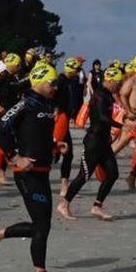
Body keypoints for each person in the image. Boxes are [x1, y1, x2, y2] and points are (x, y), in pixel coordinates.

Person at [0, 63, 69, 272]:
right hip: (26, 174)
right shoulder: (24, 104)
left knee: (43, 226)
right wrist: (15, 156)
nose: (55, 87)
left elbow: (36, 133)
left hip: (42, 171)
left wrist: (53, 145)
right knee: (41, 226)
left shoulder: (46, 104)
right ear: (38, 82)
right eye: (52, 83)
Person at [58, 66, 132, 221]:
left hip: (104, 142)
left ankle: (97, 206)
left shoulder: (108, 95)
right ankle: (64, 204)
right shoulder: (99, 95)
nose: (119, 86)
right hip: (93, 142)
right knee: (84, 175)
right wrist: (122, 126)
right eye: (117, 83)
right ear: (109, 80)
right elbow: (102, 118)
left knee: (113, 174)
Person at [55, 57, 82, 196]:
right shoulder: (60, 80)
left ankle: (64, 185)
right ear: (70, 69)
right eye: (77, 69)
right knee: (58, 152)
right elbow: (52, 98)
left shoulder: (72, 81)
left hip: (65, 118)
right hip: (58, 119)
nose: (78, 72)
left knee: (68, 153)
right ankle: (63, 185)